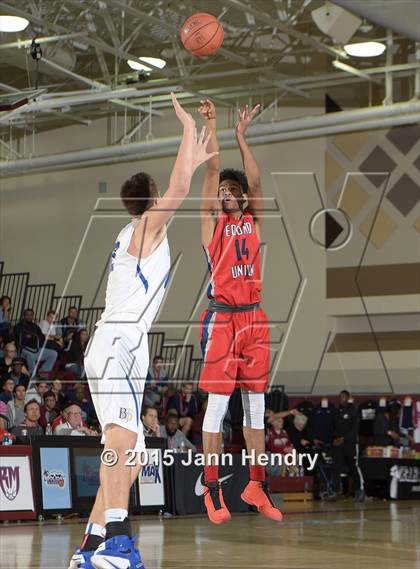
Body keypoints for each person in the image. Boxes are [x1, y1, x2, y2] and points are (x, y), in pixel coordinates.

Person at [68, 93, 217, 569]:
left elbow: (183, 176)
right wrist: (182, 128)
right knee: (121, 444)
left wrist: (198, 141)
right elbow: (180, 182)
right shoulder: (146, 226)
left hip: (118, 343)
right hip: (119, 343)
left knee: (129, 457)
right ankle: (117, 539)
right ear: (151, 202)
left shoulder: (131, 232)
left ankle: (90, 546)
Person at [196, 99, 282, 524]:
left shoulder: (254, 221)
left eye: (234, 190)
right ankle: (212, 490)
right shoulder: (212, 224)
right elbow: (212, 172)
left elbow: (258, 178)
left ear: (244, 198)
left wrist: (242, 138)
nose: (227, 193)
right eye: (223, 192)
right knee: (216, 408)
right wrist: (211, 125)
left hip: (255, 319)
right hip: (224, 318)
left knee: (254, 408)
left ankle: (255, 484)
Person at [331, 390, 365, 502]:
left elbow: (355, 429)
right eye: (340, 396)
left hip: (350, 443)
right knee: (336, 466)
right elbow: (334, 428)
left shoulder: (353, 410)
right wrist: (334, 439)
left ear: (348, 397)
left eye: (344, 396)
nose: (342, 398)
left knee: (353, 467)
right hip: (338, 445)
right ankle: (336, 491)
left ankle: (359, 491)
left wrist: (343, 438)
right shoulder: (337, 411)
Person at [13, 309, 58, 373]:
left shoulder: (35, 326)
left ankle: (42, 372)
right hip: (24, 349)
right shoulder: (18, 326)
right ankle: (32, 375)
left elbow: (42, 337)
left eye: (31, 315)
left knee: (54, 353)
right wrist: (33, 338)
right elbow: (20, 339)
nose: (29, 316)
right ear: (23, 316)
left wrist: (31, 337)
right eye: (27, 315)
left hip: (36, 348)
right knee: (30, 355)